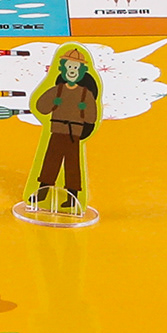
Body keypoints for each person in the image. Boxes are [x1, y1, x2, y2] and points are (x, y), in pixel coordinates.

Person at [22, 45, 103, 221]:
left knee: (73, 165)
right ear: (63, 69)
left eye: (75, 67)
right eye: (69, 67)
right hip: (57, 131)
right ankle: (42, 192)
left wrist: (85, 119)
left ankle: (72, 196)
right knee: (50, 160)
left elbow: (91, 116)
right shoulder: (58, 90)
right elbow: (40, 106)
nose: (72, 70)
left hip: (74, 133)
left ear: (81, 71)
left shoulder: (85, 94)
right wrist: (53, 102)